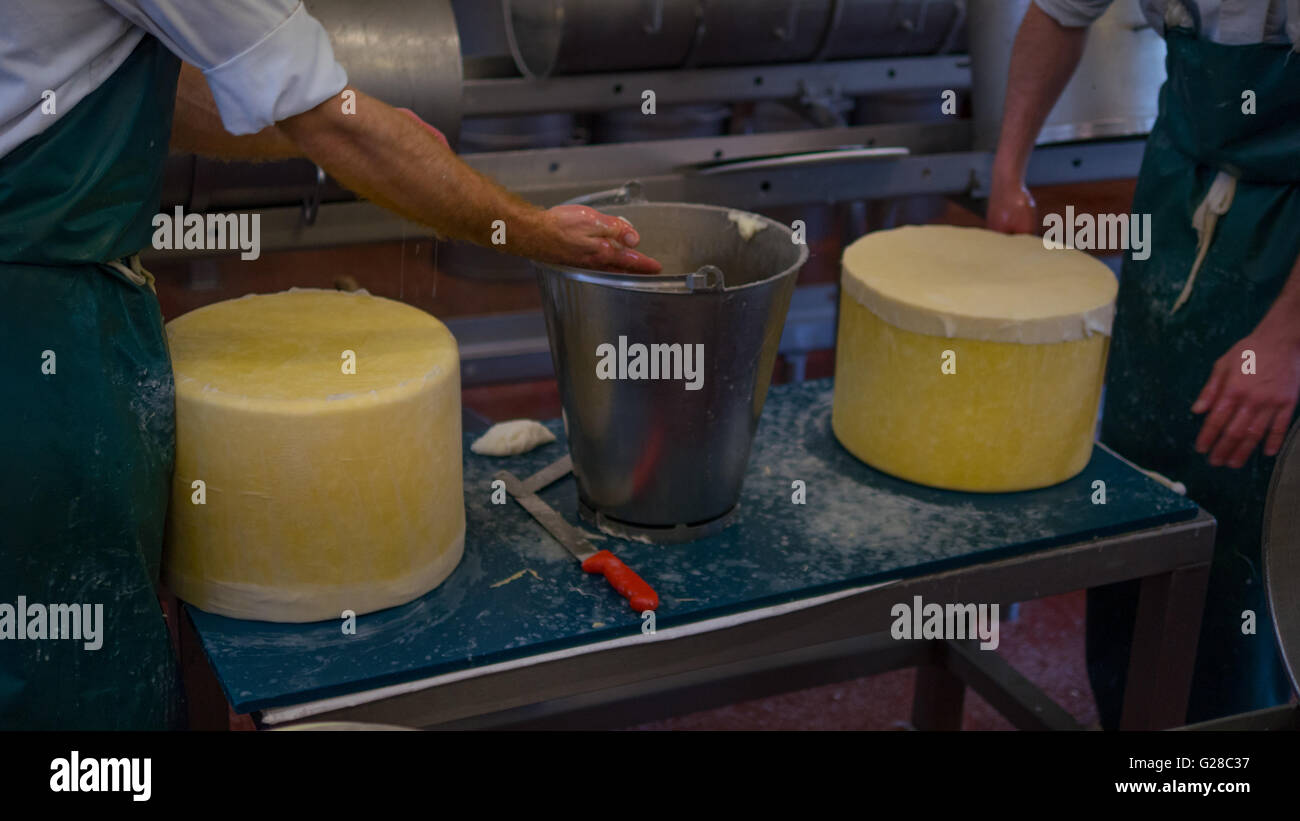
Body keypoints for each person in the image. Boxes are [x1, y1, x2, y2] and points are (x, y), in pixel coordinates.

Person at [0, 0, 660, 730]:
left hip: (48, 290)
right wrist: (536, 230)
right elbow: (333, 118)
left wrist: (309, 122)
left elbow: (138, 88)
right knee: (65, 655)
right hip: (31, 322)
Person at [988, 0, 1300, 727]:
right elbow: (1058, 15)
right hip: (1180, 188)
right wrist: (1008, 170)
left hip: (1289, 231)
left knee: (1257, 513)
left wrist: (1287, 342)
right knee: (1137, 479)